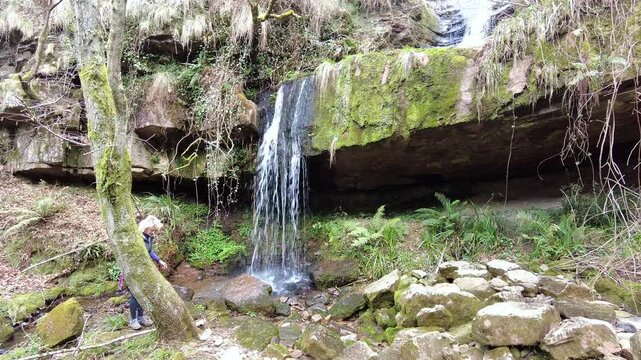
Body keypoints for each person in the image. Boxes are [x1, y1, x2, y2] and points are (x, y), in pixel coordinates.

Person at [121, 215, 168, 330]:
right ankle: (133, 320)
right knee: (135, 295)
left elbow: (150, 250)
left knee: (143, 293)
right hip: (133, 270)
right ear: (145, 228)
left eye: (155, 230)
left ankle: (141, 316)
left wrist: (159, 260)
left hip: (144, 269)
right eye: (152, 230)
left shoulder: (149, 237)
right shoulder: (137, 238)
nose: (154, 232)